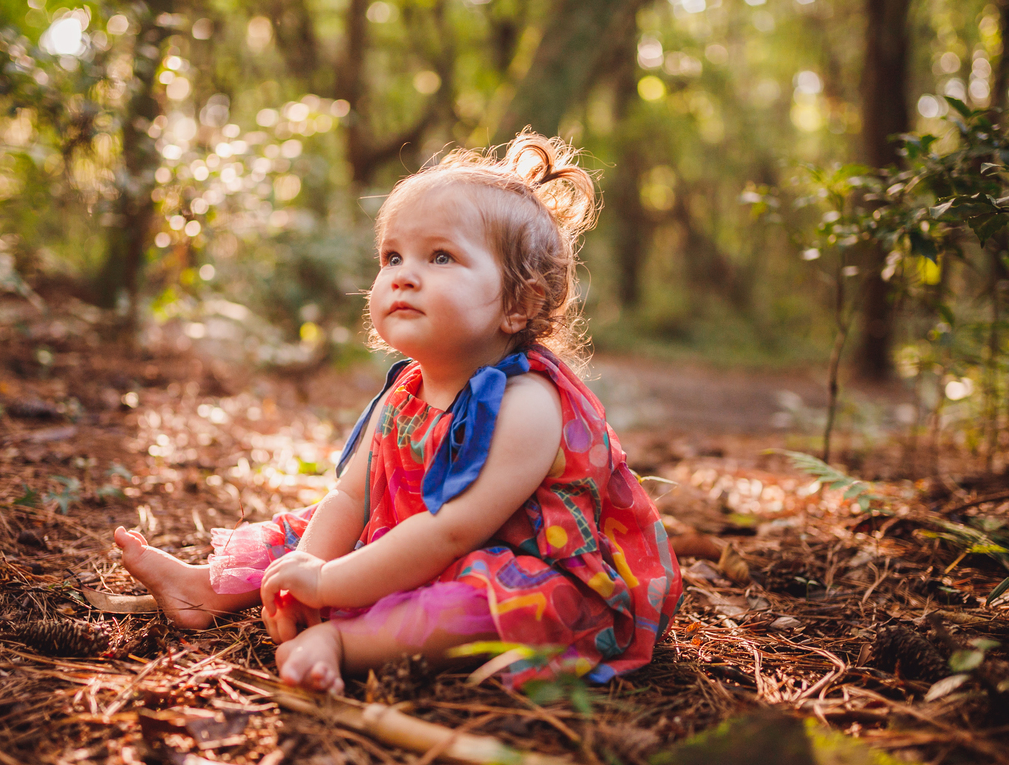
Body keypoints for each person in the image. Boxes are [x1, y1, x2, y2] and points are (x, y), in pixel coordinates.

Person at [114, 130, 683, 694]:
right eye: (392, 256)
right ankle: (205, 591)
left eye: (441, 256)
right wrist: (304, 577)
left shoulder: (528, 402)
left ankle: (346, 645)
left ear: (519, 303)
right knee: (308, 530)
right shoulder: (404, 392)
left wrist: (330, 583)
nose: (403, 274)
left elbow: (452, 533)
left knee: (483, 605)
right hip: (416, 547)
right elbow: (352, 497)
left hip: (518, 567)